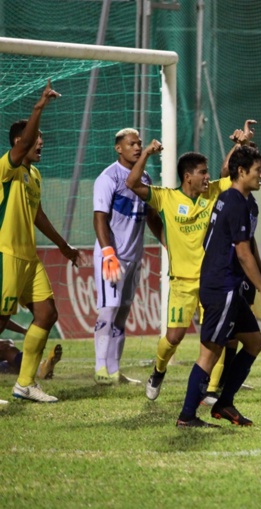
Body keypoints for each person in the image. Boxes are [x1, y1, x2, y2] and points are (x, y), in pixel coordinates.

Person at [126, 122, 255, 401]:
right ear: (187, 177)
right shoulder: (166, 198)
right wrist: (147, 152)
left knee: (216, 339)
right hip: (182, 282)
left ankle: (209, 390)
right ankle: (158, 371)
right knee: (173, 337)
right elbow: (132, 183)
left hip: (213, 280)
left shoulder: (212, 194)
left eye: (207, 172)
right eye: (202, 173)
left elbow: (230, 175)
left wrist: (241, 145)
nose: (207, 177)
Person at [176, 144, 261, 427]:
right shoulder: (235, 203)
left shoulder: (231, 198)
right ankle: (186, 416)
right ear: (241, 172)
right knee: (209, 352)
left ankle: (225, 403)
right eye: (258, 170)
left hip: (226, 286)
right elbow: (243, 253)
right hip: (222, 287)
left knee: (255, 342)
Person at [0, 80, 82, 403]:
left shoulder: (34, 176)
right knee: (1, 322)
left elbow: (37, 215)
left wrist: (63, 245)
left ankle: (24, 384)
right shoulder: (7, 168)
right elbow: (19, 151)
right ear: (21, 143)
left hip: (28, 257)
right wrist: (39, 107)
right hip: (5, 254)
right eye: (36, 141)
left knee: (46, 314)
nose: (41, 145)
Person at [92, 128, 163, 385]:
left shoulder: (144, 177)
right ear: (118, 148)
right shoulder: (108, 178)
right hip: (111, 256)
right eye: (132, 144)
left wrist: (167, 243)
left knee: (122, 313)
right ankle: (100, 368)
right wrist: (108, 252)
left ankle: (114, 370)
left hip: (133, 257)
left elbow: (152, 216)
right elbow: (99, 217)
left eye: (139, 143)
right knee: (109, 309)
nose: (136, 147)